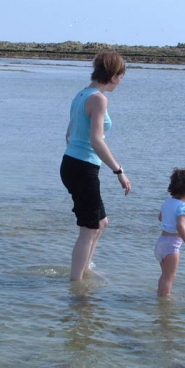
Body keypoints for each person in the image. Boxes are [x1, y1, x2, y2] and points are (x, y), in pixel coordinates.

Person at [60, 50, 131, 282]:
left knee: (101, 223)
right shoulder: (99, 99)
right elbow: (96, 140)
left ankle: (85, 270)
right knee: (89, 229)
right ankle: (76, 283)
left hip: (73, 163)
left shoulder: (82, 94)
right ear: (112, 75)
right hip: (81, 167)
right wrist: (119, 171)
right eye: (120, 76)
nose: (120, 81)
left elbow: (69, 134)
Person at [155, 168, 185, 296]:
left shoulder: (167, 202)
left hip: (161, 243)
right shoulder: (183, 207)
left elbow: (160, 218)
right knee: (169, 277)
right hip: (172, 245)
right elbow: (180, 226)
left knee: (165, 275)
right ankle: (164, 302)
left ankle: (160, 295)